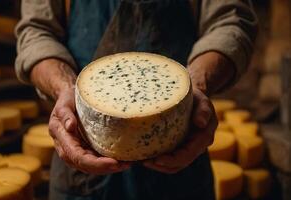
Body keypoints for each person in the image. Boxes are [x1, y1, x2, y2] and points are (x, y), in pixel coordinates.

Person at [15, 0, 257, 199]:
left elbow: (231, 21)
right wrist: (65, 88)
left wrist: (196, 86)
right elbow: (36, 32)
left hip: (181, 153)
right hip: (82, 164)